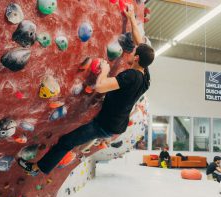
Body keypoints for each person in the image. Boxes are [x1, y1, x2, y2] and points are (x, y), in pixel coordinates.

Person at [17, 5, 155, 176]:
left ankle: (36, 168)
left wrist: (104, 69)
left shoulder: (131, 76)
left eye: (135, 51)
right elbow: (139, 40)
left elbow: (101, 86)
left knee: (67, 141)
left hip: (105, 125)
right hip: (118, 123)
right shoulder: (145, 77)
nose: (134, 49)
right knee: (71, 140)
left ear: (137, 58)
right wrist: (131, 18)